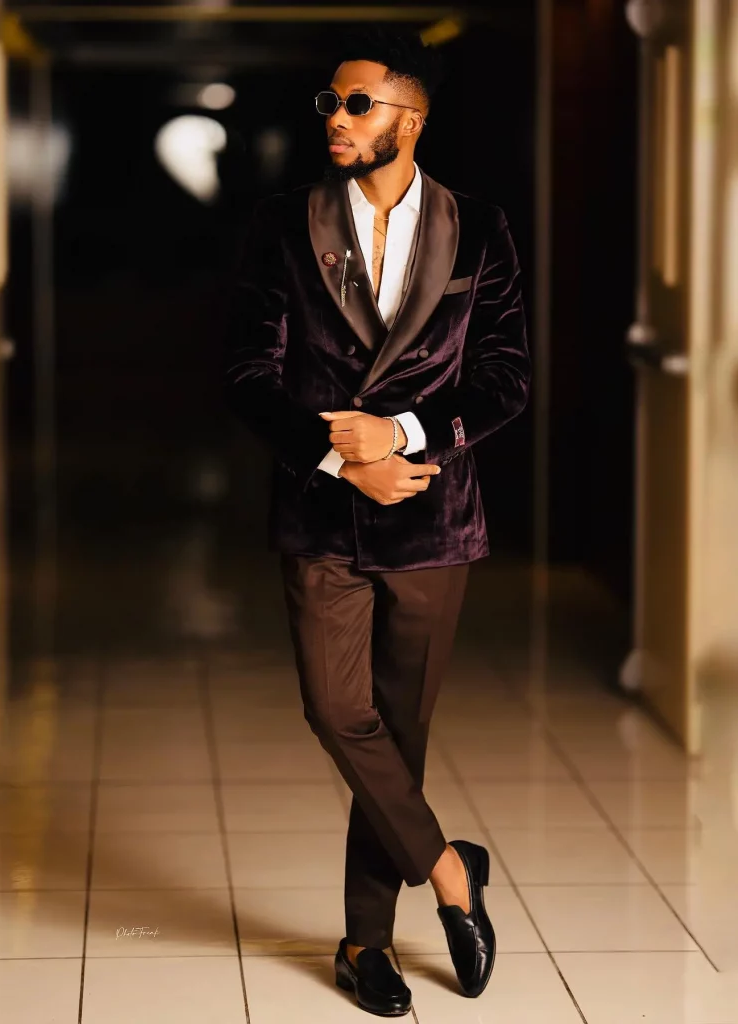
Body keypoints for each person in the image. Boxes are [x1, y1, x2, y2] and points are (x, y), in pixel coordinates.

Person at [223, 25, 530, 1017]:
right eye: (331, 102)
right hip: (321, 515)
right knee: (335, 710)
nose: (337, 118)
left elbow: (505, 378)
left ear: (413, 117)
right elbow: (247, 374)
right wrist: (337, 458)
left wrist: (401, 435)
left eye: (358, 103)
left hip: (433, 520)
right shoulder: (283, 223)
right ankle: (450, 870)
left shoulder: (479, 229)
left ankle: (366, 944)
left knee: (399, 733)